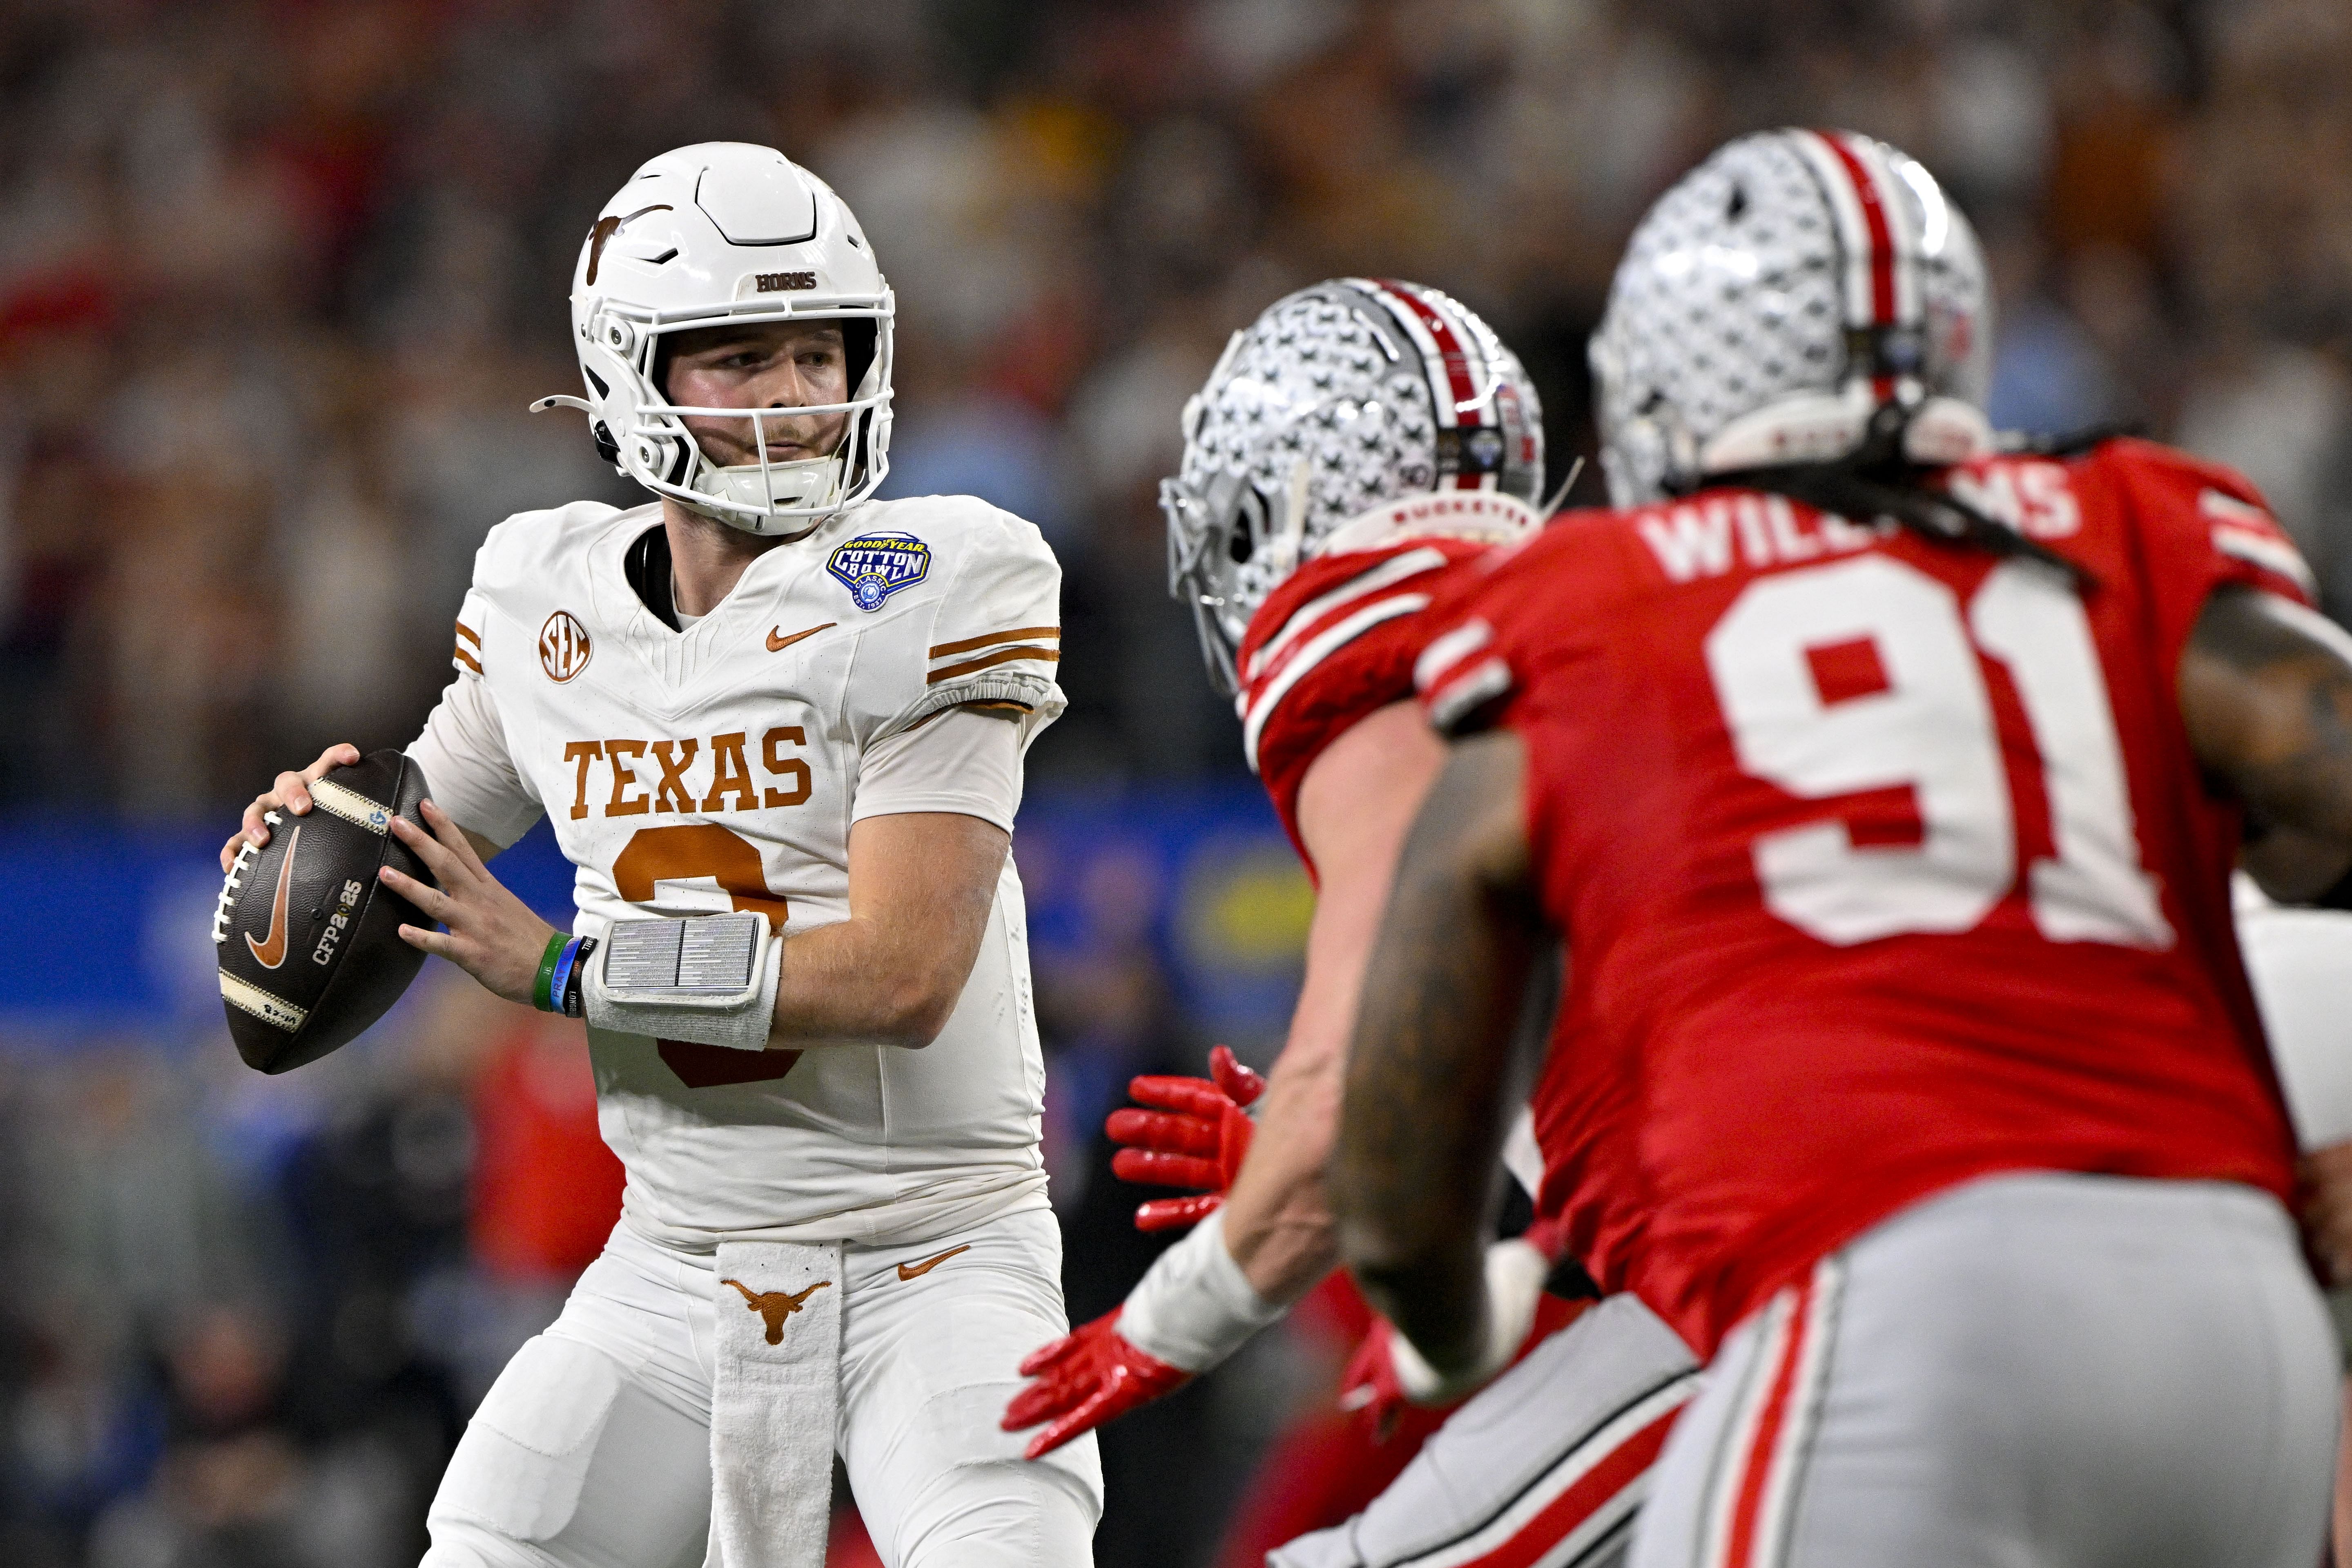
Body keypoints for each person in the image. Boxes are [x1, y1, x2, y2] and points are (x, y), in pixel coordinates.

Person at [1333, 128, 2341, 1568]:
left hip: (1900, 1296)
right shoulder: (2121, 527)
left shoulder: (1596, 602)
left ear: (1664, 383)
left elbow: (1400, 1148)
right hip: (2238, 1324)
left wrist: (1445, 1315)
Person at [221, 143, 1098, 1568]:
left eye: (821, 351)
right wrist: (311, 839)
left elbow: (902, 975)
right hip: (674, 1262)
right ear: (629, 373)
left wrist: (571, 966)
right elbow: (409, 851)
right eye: (740, 357)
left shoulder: (941, 581)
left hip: (934, 1256)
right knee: (488, 1545)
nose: (797, 397)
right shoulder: (543, 595)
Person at [1001, 279, 1697, 1568]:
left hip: (1799, 1265)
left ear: (1282, 504)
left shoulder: (1388, 647)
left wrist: (1163, 1325)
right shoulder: (1631, 603)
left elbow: (1346, 1112)